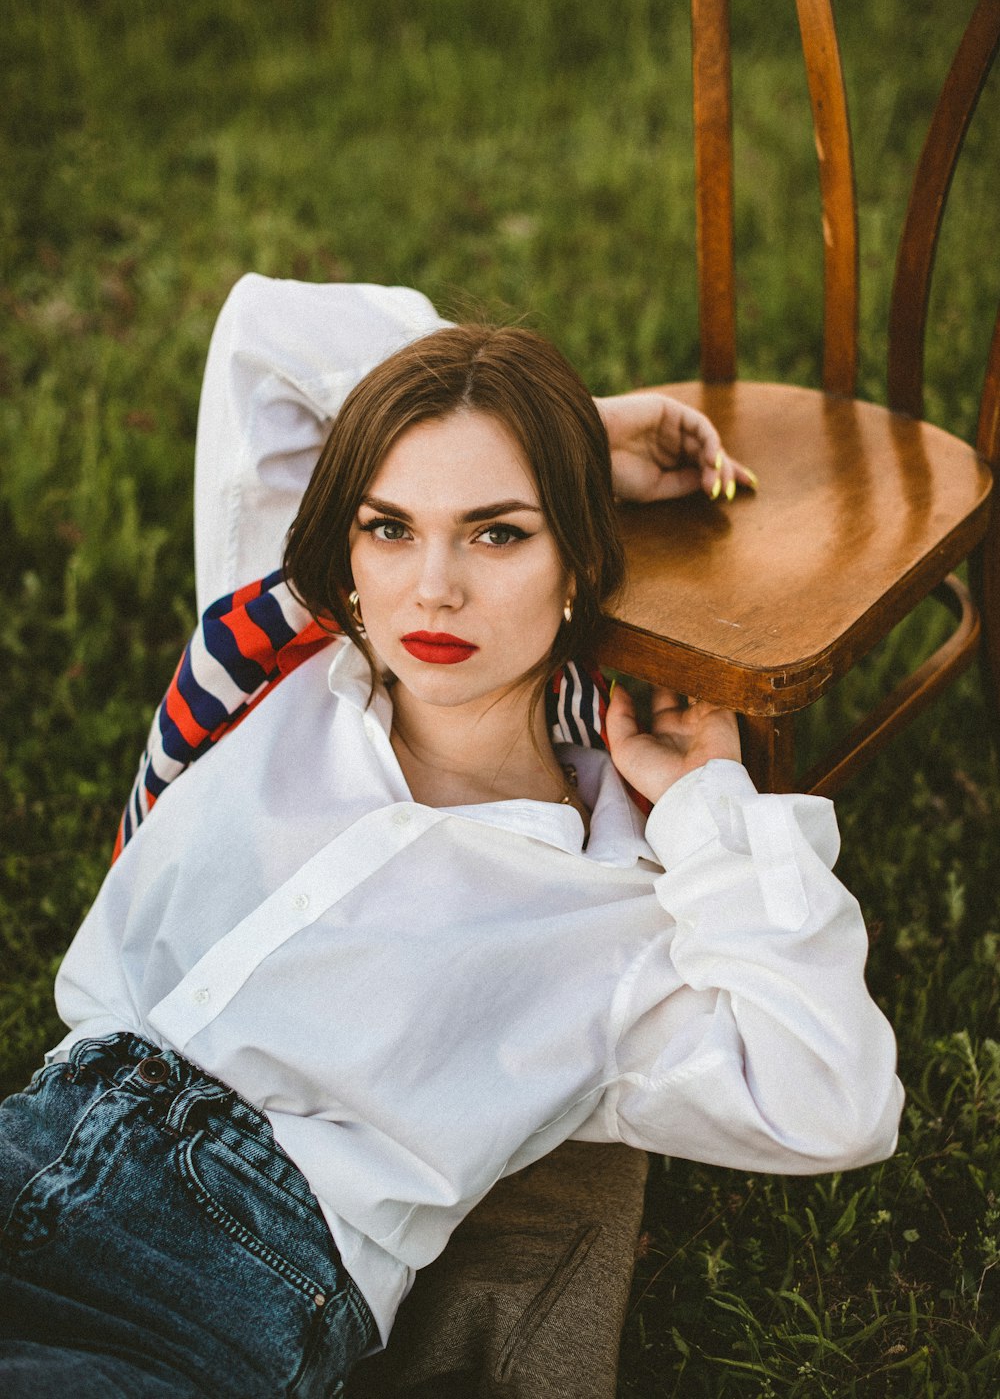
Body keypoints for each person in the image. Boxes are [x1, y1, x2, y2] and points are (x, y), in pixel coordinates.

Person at [0, 276, 904, 1398]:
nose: (433, 587)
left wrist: (710, 808)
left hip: (212, 1290)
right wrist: (572, 416)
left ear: (577, 557)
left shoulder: (612, 905)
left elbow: (834, 1095)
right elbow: (269, 334)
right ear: (350, 553)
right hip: (32, 1132)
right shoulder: (283, 671)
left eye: (498, 531)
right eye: (390, 527)